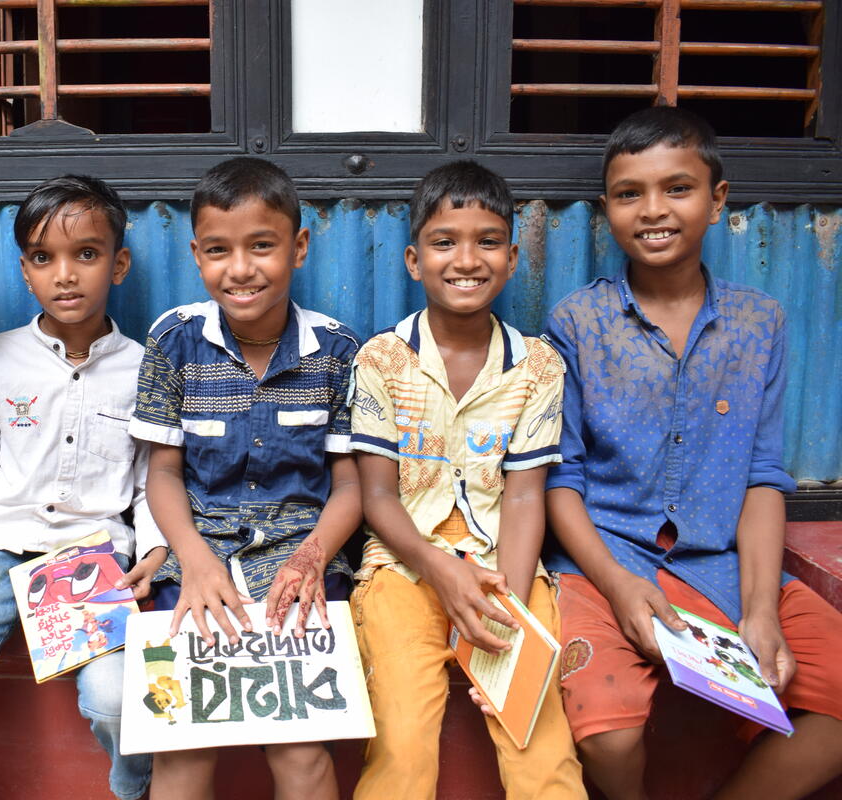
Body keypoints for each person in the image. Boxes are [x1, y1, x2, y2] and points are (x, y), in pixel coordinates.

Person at [544, 106, 842, 799]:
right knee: (608, 731)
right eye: (629, 194)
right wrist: (618, 587)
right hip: (605, 561)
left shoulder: (759, 321)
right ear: (607, 208)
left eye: (677, 188)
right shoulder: (577, 322)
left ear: (718, 200)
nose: (653, 210)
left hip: (722, 567)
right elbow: (563, 477)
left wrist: (761, 608)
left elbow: (764, 476)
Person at [0, 175, 166, 800]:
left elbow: (152, 480)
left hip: (90, 558)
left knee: (114, 705)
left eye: (87, 254)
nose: (65, 275)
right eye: (44, 258)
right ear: (25, 271)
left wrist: (153, 551)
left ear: (119, 263)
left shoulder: (146, 367)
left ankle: (134, 791)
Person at [348, 160, 585, 800]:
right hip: (403, 566)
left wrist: (504, 603)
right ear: (413, 259)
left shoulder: (537, 365)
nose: (466, 259)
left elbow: (526, 494)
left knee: (542, 751)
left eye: (486, 241)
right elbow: (376, 494)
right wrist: (439, 568)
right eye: (444, 240)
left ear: (511, 258)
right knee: (402, 745)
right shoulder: (382, 359)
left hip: (507, 568)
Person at [129, 156, 362, 800]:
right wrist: (194, 559)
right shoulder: (173, 341)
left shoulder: (338, 351)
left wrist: (315, 555)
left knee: (300, 746)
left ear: (299, 247)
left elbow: (349, 484)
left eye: (262, 246)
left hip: (300, 556)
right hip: (194, 554)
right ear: (196, 254)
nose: (241, 269)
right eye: (218, 250)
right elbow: (164, 471)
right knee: (181, 741)